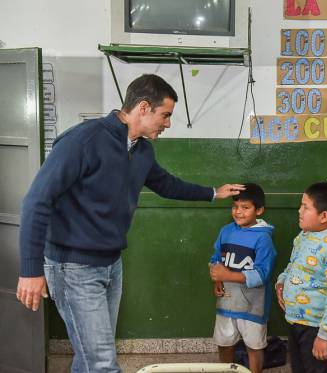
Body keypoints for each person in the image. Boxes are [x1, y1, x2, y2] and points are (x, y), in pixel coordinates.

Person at [16, 74, 245, 373]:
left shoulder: (142, 150)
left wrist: (214, 192)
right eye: (165, 115)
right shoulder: (83, 140)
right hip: (72, 267)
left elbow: (168, 185)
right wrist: (31, 270)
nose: (167, 124)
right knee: (102, 363)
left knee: (91, 356)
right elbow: (36, 202)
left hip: (111, 264)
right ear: (143, 107)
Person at [275, 182, 327, 373]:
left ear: (324, 216)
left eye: (305, 207)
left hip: (317, 327)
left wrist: (325, 335)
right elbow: (292, 265)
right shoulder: (304, 235)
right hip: (296, 321)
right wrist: (281, 281)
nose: (299, 211)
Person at [208, 183, 276, 373]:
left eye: (245, 208)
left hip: (254, 306)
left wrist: (227, 275)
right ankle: (227, 370)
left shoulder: (263, 238)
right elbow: (215, 260)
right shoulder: (226, 231)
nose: (238, 212)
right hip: (227, 302)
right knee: (224, 342)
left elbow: (262, 274)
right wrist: (218, 280)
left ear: (259, 210)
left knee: (254, 345)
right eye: (235, 206)